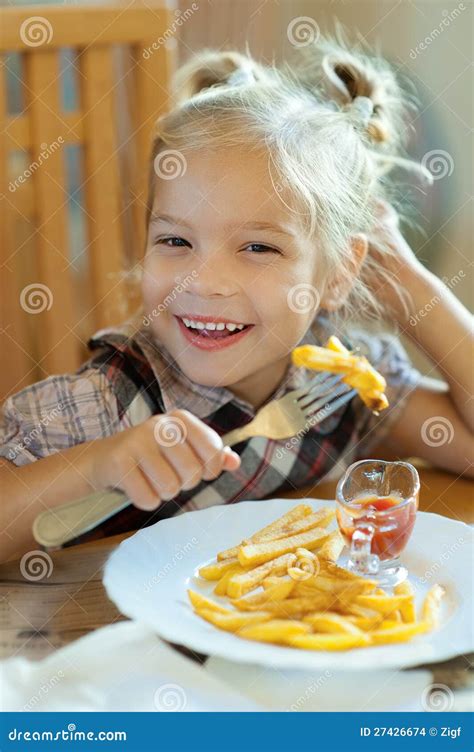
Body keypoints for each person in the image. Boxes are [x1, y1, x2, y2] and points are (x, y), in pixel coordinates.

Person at [1, 35, 472, 562]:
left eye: (258, 247)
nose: (203, 282)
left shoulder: (339, 388)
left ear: (340, 271)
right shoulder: (109, 401)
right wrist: (97, 465)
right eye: (176, 241)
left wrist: (411, 286)